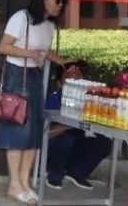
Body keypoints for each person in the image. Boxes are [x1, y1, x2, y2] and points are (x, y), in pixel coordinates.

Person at [0, 0, 68, 206]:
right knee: (18, 132)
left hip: (35, 78)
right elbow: (3, 47)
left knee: (34, 133)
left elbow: (44, 52)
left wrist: (64, 62)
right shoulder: (21, 18)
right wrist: (29, 53)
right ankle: (14, 185)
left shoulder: (49, 26)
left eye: (62, 1)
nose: (60, 5)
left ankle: (25, 183)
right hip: (17, 77)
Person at [43, 62, 113, 190]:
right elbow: (45, 133)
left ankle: (78, 172)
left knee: (104, 143)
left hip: (76, 146)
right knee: (66, 140)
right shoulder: (53, 100)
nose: (75, 80)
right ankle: (54, 174)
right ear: (60, 83)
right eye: (70, 77)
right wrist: (70, 124)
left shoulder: (88, 100)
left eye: (78, 77)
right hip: (55, 148)